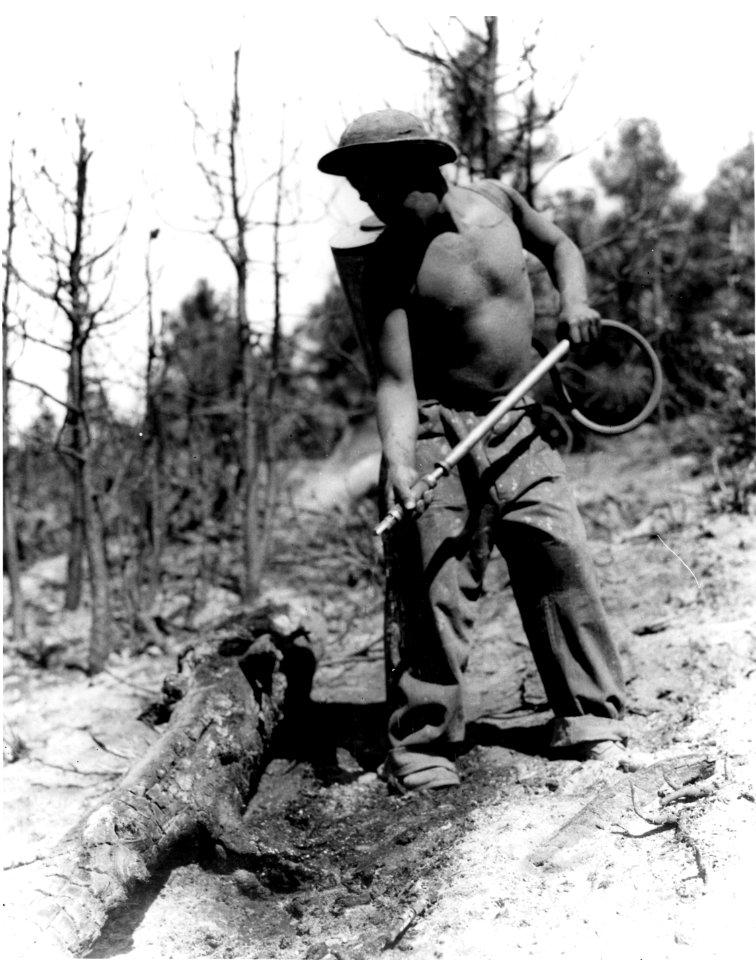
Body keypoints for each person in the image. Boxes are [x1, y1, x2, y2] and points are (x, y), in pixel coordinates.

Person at [319, 109, 630, 793]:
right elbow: (395, 381)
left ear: (420, 170)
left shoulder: (496, 201)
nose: (364, 195)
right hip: (436, 431)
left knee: (557, 553)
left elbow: (562, 249)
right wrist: (400, 464)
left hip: (519, 419)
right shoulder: (385, 266)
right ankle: (423, 746)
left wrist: (574, 302)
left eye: (373, 179)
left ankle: (590, 719)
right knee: (435, 584)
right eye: (358, 183)